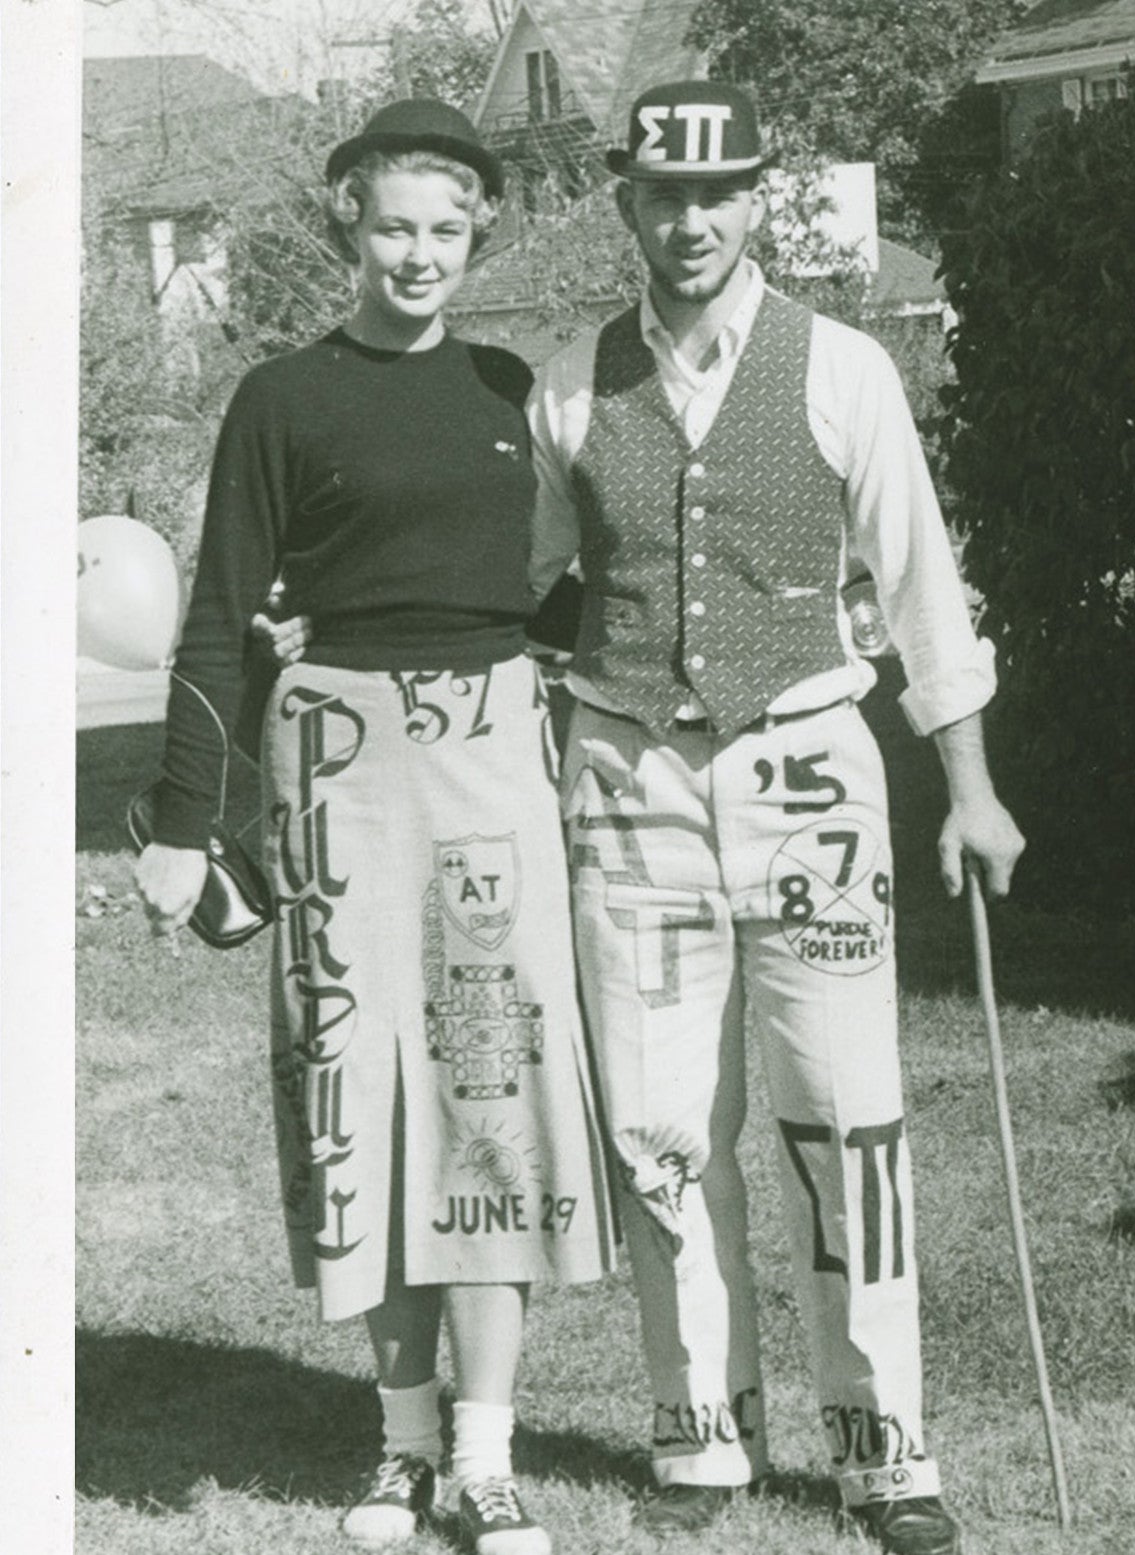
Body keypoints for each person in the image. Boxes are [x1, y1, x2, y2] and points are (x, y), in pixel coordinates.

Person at [525, 81, 1024, 1553]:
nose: (692, 222)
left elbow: (922, 581)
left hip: (809, 770)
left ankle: (882, 1445)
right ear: (628, 204)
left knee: (843, 1119)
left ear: (757, 202)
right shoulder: (568, 382)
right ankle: (702, 1431)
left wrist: (973, 787)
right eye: (666, 197)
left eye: (720, 194)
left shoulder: (844, 369)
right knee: (665, 1129)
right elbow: (532, 594)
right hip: (630, 779)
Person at [131, 100, 612, 1555]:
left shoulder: (507, 385)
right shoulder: (282, 397)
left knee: (488, 1085)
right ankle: (399, 1450)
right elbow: (220, 617)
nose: (419, 253)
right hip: (336, 761)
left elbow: (569, 594)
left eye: (448, 229)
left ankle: (485, 1454)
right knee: (364, 1097)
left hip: (489, 765)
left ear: (479, 238)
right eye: (394, 224)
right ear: (350, 220)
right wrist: (177, 819)